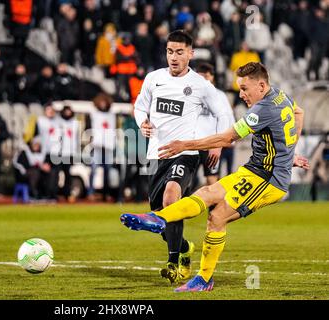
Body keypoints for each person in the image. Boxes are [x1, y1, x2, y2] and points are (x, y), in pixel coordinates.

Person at [120, 62, 310, 292]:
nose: (241, 95)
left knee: (217, 217)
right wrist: (290, 150)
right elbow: (299, 113)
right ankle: (158, 218)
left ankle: (204, 278)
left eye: (244, 88)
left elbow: (227, 139)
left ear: (261, 85)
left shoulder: (263, 109)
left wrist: (185, 145)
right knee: (207, 193)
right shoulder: (279, 95)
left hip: (268, 180)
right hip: (253, 170)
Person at [131, 30, 232, 284]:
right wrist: (142, 121)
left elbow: (224, 113)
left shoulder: (200, 85)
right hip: (157, 154)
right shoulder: (154, 79)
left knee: (170, 199)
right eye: (169, 51)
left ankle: (173, 262)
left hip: (186, 153)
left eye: (179, 52)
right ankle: (185, 247)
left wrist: (217, 144)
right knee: (158, 214)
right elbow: (140, 106)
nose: (173, 57)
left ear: (190, 53)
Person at [194, 63, 235, 187]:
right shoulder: (190, 94)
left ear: (212, 77)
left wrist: (230, 139)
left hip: (211, 143)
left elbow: (228, 117)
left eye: (206, 76)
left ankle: (214, 207)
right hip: (192, 144)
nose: (204, 80)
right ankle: (183, 206)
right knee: (187, 180)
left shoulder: (220, 95)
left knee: (212, 179)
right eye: (200, 77)